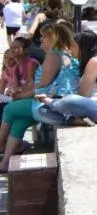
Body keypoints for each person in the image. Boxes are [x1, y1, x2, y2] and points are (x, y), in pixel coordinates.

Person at [0, 21, 79, 171]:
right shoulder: (60, 54)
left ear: (53, 38)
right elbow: (39, 84)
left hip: (49, 103)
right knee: (19, 122)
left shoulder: (53, 56)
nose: (40, 39)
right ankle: (4, 163)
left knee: (9, 109)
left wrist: (21, 95)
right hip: (52, 101)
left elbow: (42, 85)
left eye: (44, 36)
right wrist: (22, 91)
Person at [35, 30, 97, 127]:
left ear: (83, 47)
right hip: (96, 108)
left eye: (73, 46)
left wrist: (55, 100)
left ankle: (50, 101)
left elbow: (83, 95)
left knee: (69, 100)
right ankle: (74, 121)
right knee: (42, 111)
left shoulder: (95, 61)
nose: (70, 49)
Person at [0, 38, 39, 104]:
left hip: (34, 99)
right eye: (11, 47)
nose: (12, 50)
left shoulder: (31, 63)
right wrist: (11, 91)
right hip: (22, 98)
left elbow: (31, 85)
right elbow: (15, 87)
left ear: (25, 50)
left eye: (15, 47)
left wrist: (16, 89)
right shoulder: (16, 67)